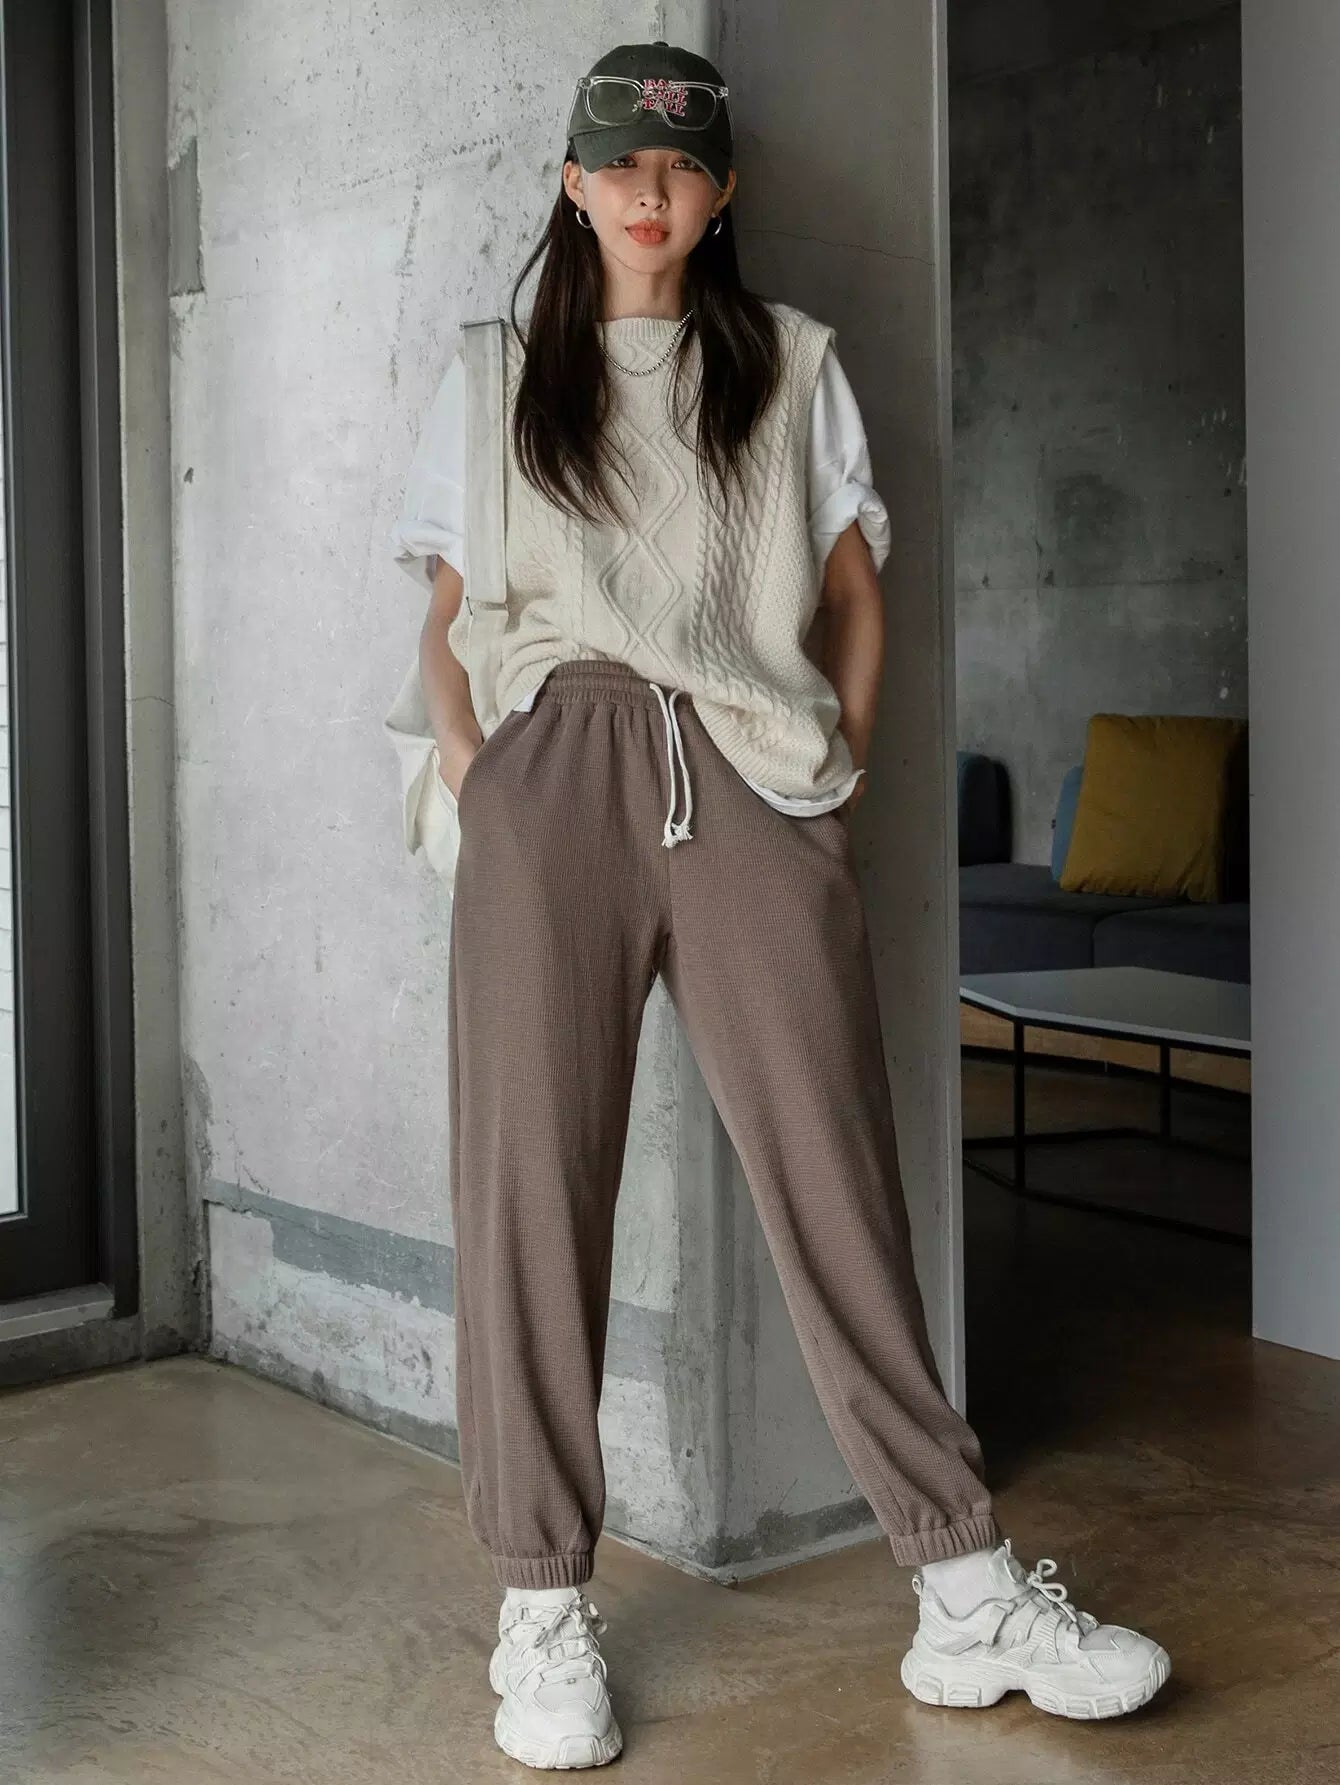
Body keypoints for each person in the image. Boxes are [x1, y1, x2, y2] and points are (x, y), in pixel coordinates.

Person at [390, 37, 1171, 1772]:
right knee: (529, 1191)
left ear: (721, 188)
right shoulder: (495, 372)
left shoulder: (790, 364)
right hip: (552, 772)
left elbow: (854, 598)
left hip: (746, 772)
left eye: (680, 164)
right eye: (618, 162)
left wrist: (836, 783)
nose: (648, 191)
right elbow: (443, 609)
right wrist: (477, 773)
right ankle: (540, 1605)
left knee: (837, 1180)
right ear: (575, 183)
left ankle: (960, 1589)